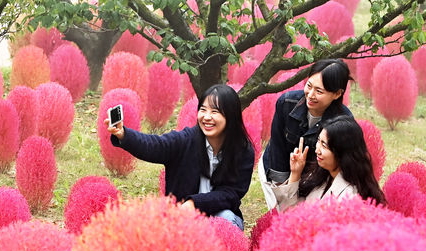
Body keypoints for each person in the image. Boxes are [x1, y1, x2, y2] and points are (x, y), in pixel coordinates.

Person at [107, 84, 254, 230]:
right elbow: (154, 145)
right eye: (203, 110)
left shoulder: (242, 150)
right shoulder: (185, 140)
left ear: (230, 115)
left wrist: (194, 203)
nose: (207, 117)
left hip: (218, 213)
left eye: (215, 112)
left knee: (227, 220)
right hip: (181, 217)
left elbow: (231, 194)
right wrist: (124, 135)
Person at [260, 59, 353, 209]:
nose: (310, 94)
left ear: (337, 94)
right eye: (309, 86)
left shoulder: (342, 122)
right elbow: (277, 148)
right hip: (280, 168)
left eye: (319, 91)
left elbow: (338, 165)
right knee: (282, 213)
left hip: (317, 177)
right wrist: (283, 192)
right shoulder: (286, 103)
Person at [269, 115, 385, 211]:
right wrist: (295, 173)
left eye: (324, 145)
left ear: (342, 152)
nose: (317, 150)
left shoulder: (349, 198)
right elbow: (292, 215)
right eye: (319, 141)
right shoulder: (321, 176)